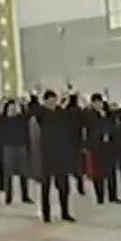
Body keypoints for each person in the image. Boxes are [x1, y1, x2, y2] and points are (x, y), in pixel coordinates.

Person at [33, 90, 76, 223]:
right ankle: (46, 214)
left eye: (54, 100)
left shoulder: (61, 113)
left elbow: (73, 118)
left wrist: (70, 99)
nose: (53, 103)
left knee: (64, 186)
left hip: (61, 154)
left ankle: (65, 212)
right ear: (45, 102)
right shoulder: (41, 114)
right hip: (46, 154)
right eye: (50, 101)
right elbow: (32, 111)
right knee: (45, 186)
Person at [83, 93, 121, 205]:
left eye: (99, 102)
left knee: (111, 173)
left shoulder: (108, 114)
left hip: (109, 147)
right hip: (97, 147)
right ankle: (100, 196)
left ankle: (113, 195)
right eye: (95, 103)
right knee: (98, 174)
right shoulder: (90, 115)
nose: (98, 105)